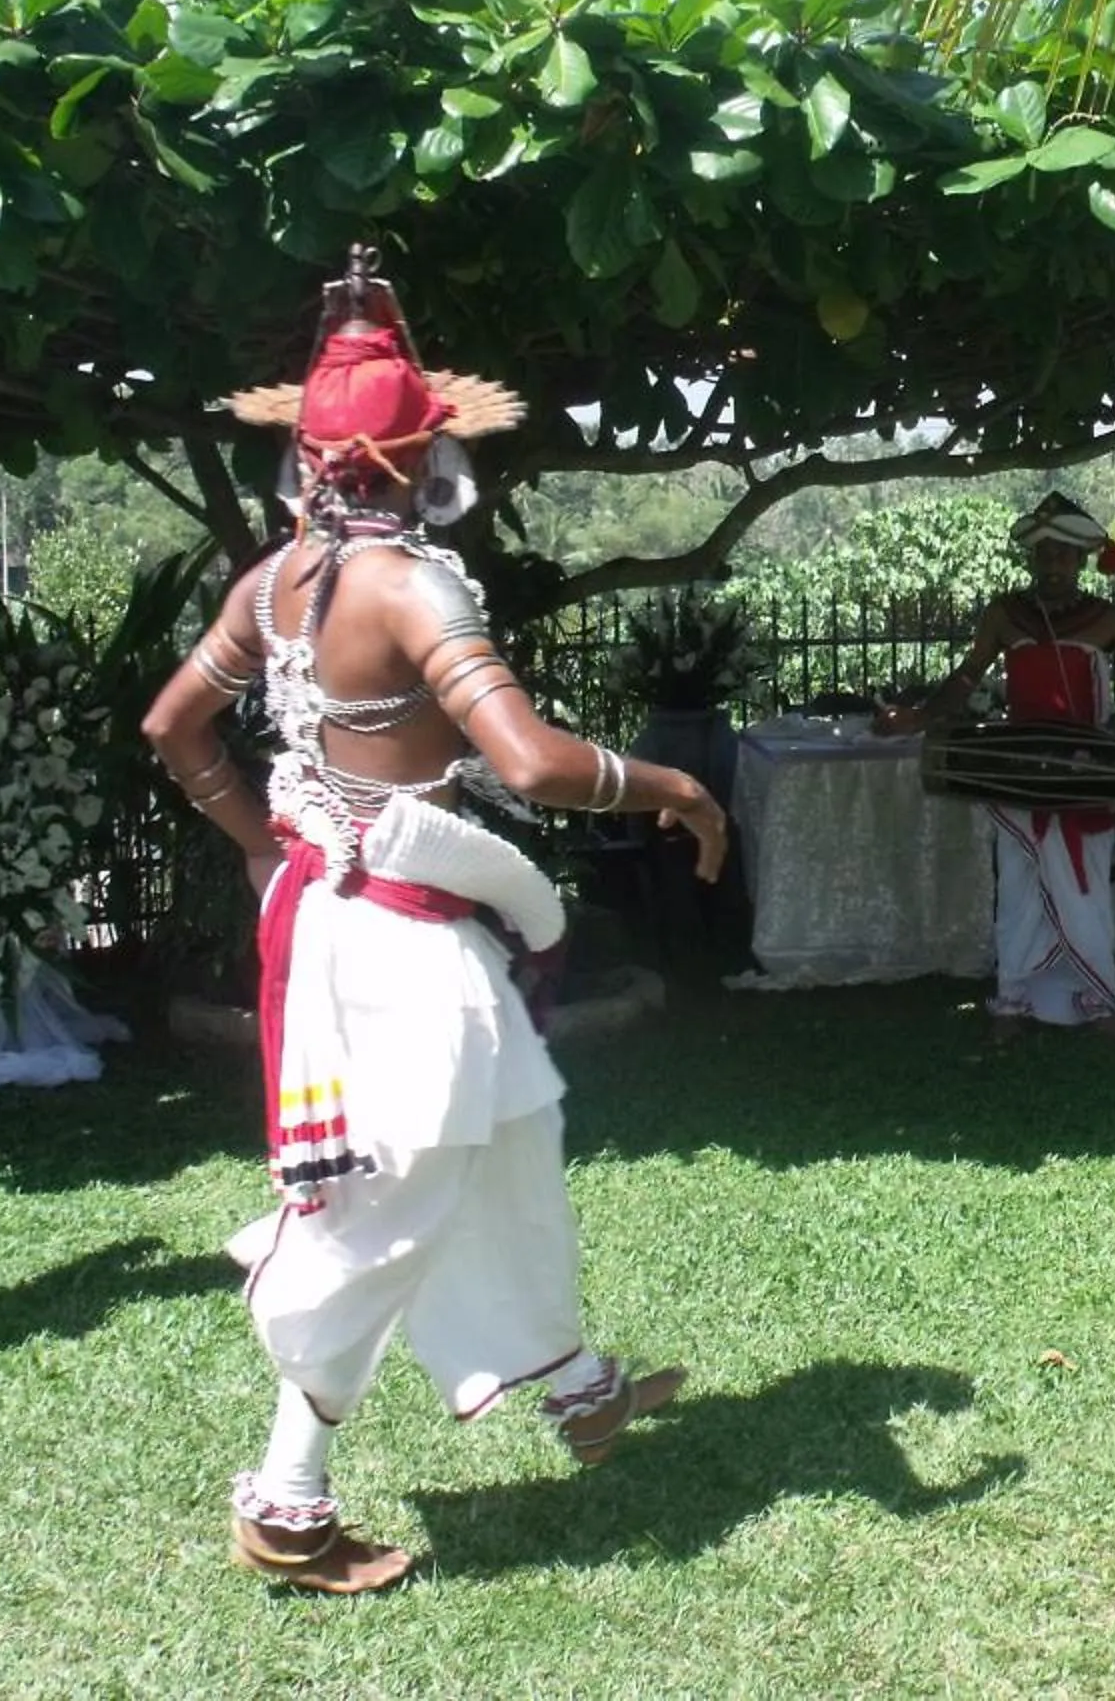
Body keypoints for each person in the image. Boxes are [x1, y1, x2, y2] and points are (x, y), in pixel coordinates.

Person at [142, 249, 728, 1594]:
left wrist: (259, 848)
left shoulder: (272, 586)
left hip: (345, 914)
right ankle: (287, 1501)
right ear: (417, 459)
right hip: (406, 941)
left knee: (513, 1134)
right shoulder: (412, 584)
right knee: (389, 1212)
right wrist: (676, 785)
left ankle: (578, 1386)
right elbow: (528, 763)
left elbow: (173, 727)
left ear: (307, 455)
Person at [917, 495, 1115, 1039]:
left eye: (1064, 556)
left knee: (1083, 889)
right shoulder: (1004, 613)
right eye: (1044, 555)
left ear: (1082, 561)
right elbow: (968, 678)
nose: (1053, 565)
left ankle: (1097, 1003)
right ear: (1031, 559)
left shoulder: (1106, 618)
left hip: (1085, 773)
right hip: (1019, 769)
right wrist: (920, 716)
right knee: (1018, 889)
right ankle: (1013, 1003)